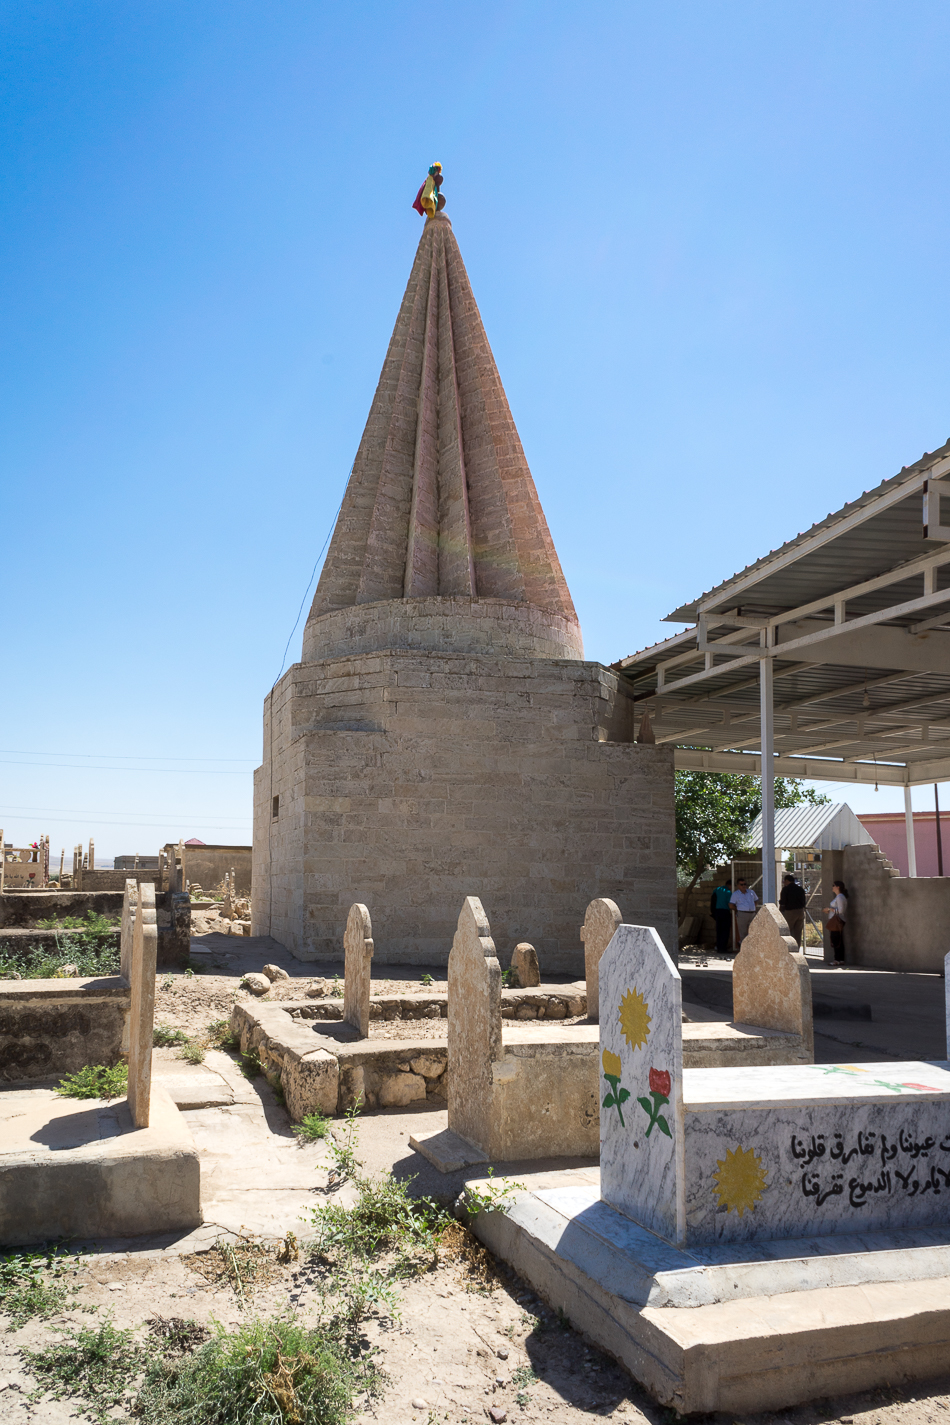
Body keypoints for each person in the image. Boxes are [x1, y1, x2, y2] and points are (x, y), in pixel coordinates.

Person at [779, 873, 807, 948]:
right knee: (798, 932)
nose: (784, 883)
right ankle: (797, 948)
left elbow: (783, 902)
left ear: (787, 881)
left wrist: (781, 912)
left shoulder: (785, 889)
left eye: (784, 881)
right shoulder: (800, 889)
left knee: (787, 930)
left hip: (790, 912)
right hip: (800, 911)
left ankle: (788, 948)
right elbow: (804, 901)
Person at [824, 880, 848, 965]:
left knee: (836, 939)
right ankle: (840, 959)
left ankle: (837, 959)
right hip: (836, 920)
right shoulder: (839, 897)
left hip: (837, 921)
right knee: (838, 939)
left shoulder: (840, 897)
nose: (832, 887)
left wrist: (829, 909)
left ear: (838, 887)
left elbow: (840, 911)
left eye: (833, 885)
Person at [729, 877, 759, 945]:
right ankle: (743, 946)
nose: (743, 886)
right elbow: (731, 905)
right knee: (743, 932)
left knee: (754, 930)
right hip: (742, 914)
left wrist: (752, 907)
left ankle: (752, 946)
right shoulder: (735, 894)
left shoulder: (751, 892)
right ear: (738, 885)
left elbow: (756, 901)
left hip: (752, 914)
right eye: (741, 884)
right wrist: (739, 909)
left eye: (745, 884)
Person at [709, 878, 733, 955]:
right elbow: (730, 903)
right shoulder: (728, 892)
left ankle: (719, 947)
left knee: (719, 930)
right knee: (725, 930)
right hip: (725, 911)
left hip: (717, 912)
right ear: (730, 885)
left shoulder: (717, 889)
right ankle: (723, 948)